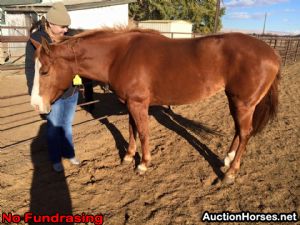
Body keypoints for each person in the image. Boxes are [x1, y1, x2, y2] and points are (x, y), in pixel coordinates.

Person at [25, 2, 80, 172]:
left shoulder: (69, 38)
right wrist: (35, 95)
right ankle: (56, 159)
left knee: (67, 124)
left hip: (71, 91)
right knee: (54, 127)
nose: (65, 30)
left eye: (67, 26)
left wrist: (79, 85)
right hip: (51, 92)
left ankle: (69, 154)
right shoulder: (36, 41)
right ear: (50, 24)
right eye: (63, 27)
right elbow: (30, 69)